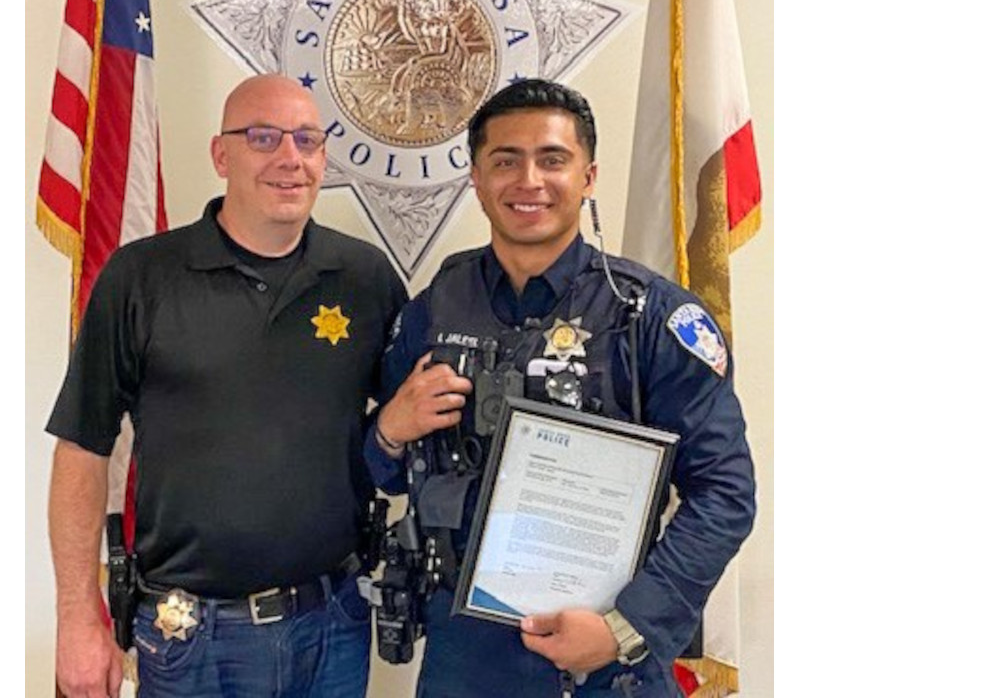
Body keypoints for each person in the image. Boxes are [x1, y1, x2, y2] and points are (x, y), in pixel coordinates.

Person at [366, 79, 756, 697]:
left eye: (552, 159)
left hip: (605, 662)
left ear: (589, 177)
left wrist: (627, 627)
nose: (529, 180)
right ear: (476, 177)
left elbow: (726, 493)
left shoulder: (650, 319)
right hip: (464, 662)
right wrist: (388, 434)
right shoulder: (432, 311)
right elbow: (386, 475)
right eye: (505, 160)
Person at [47, 74, 408, 698]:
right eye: (263, 137)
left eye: (307, 140)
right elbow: (82, 450)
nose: (289, 159)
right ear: (221, 155)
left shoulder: (365, 277)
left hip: (333, 623)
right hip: (191, 637)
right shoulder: (142, 277)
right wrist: (78, 618)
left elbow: (400, 429)